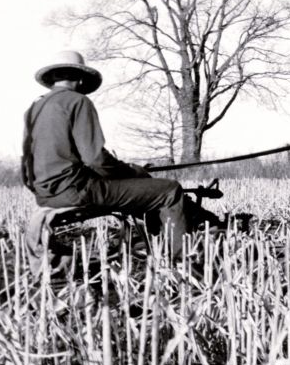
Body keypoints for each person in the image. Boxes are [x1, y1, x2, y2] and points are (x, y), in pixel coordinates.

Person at [22, 50, 187, 258]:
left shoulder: (34, 108)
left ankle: (151, 241)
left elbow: (26, 161)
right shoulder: (77, 101)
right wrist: (130, 171)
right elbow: (94, 158)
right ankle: (182, 259)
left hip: (45, 196)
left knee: (138, 188)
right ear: (81, 79)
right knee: (170, 190)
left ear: (53, 78)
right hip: (76, 191)